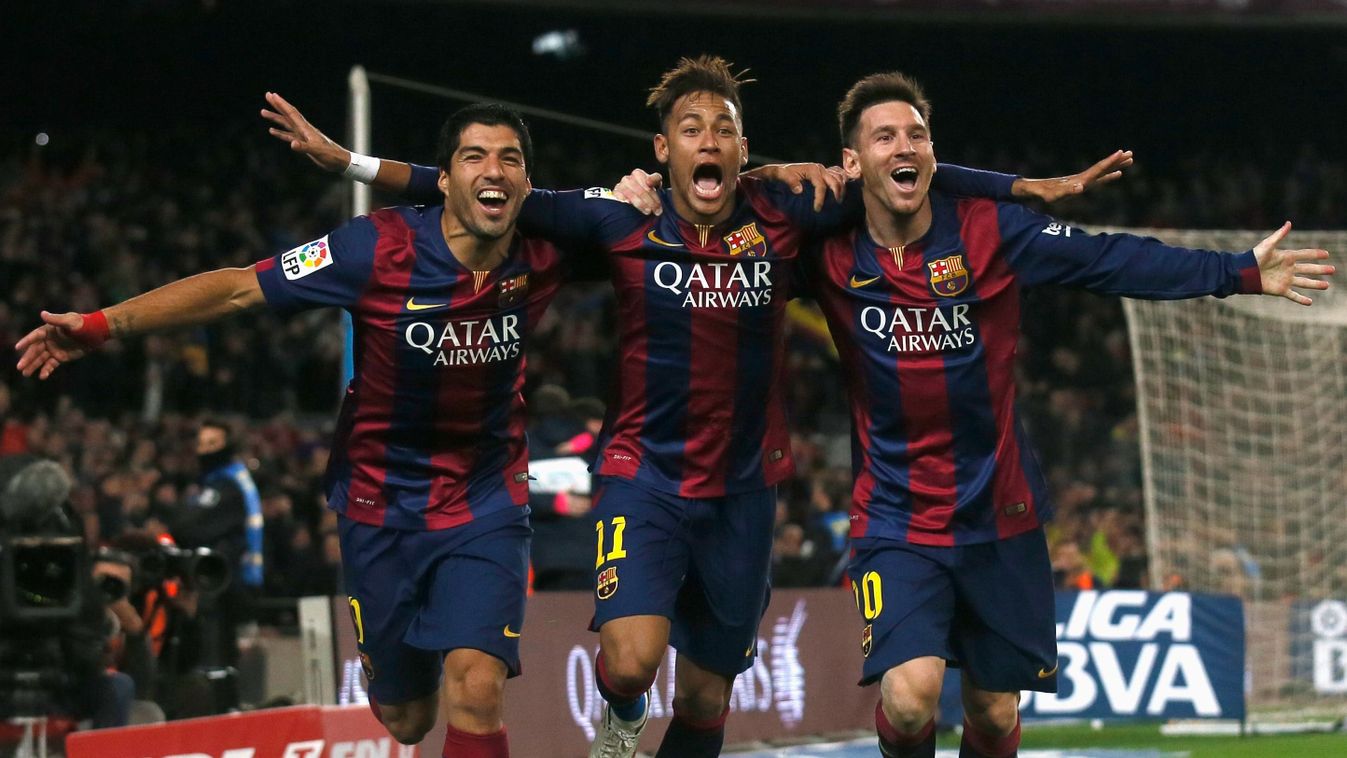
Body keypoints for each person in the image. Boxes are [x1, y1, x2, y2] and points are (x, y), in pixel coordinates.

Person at [261, 57, 1121, 758]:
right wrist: (353, 166)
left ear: (744, 149)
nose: (708, 142)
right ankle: (620, 720)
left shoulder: (785, 210)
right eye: (690, 129)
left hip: (745, 485)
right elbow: (480, 189)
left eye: (724, 129)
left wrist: (1012, 189)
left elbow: (898, 172)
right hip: (642, 474)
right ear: (661, 148)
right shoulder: (619, 216)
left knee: (708, 693)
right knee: (631, 664)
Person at [15, 103, 591, 758]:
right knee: (405, 718)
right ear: (441, 178)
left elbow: (670, 228)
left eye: (510, 159)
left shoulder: (546, 249)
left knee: (479, 687)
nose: (494, 171)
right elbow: (238, 289)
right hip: (381, 507)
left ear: (527, 181)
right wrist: (102, 326)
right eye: (474, 157)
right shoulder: (372, 247)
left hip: (487, 500)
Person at [800, 72, 1331, 758]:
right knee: (909, 699)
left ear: (933, 153)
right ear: (851, 162)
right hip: (895, 519)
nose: (905, 146)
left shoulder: (990, 230)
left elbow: (1107, 258)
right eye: (884, 136)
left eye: (917, 134)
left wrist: (1235, 272)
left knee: (993, 714)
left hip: (1000, 514)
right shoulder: (823, 249)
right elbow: (728, 217)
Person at [168, 418, 262, 668]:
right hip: (214, 581)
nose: (206, 449)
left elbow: (188, 527)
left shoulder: (227, 486)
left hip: (220, 584)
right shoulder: (213, 482)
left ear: (227, 446)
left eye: (213, 443)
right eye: (202, 443)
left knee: (215, 655)